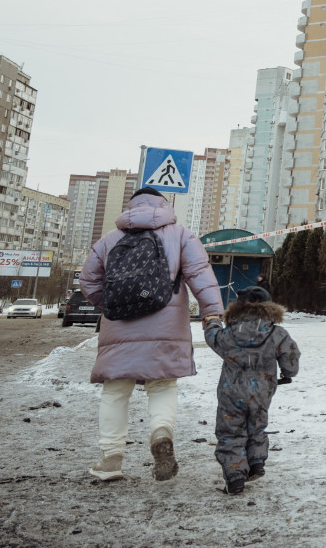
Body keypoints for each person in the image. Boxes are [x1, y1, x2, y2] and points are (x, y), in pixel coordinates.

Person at [79, 187, 224, 482]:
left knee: (116, 390)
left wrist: (111, 305)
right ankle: (160, 433)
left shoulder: (110, 239)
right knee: (162, 384)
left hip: (119, 324)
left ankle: (110, 460)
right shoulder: (181, 234)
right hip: (166, 325)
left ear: (130, 207)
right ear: (163, 204)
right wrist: (212, 313)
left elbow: (88, 281)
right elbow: (201, 275)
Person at [203, 286, 300, 494]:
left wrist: (212, 321)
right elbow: (291, 355)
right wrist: (287, 373)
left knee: (230, 432)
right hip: (262, 392)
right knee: (256, 426)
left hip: (232, 392)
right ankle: (256, 462)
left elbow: (213, 338)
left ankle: (235, 476)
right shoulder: (277, 334)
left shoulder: (228, 334)